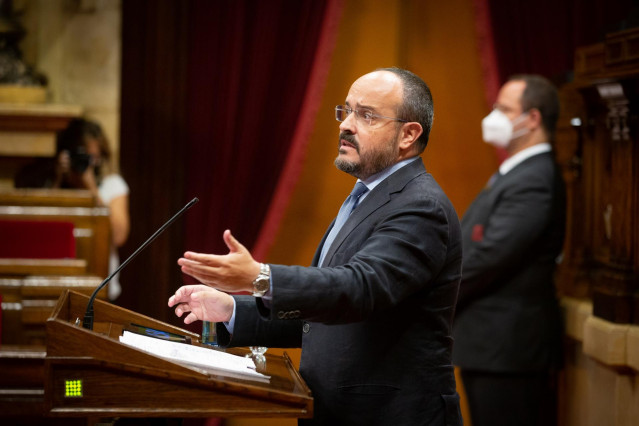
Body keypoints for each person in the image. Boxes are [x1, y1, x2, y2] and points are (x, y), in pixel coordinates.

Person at [168, 68, 463, 426]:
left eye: (366, 115)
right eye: (347, 111)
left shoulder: (421, 206)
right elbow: (322, 315)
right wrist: (232, 309)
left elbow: (359, 288)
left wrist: (261, 277)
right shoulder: (364, 198)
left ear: (408, 134)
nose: (346, 125)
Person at [452, 75, 566, 426]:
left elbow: (489, 257)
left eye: (503, 109)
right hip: (492, 347)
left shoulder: (534, 178)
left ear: (532, 119)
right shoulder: (516, 171)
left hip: (508, 349)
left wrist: (434, 289)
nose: (493, 117)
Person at [15, 118, 130, 301]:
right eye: (81, 157)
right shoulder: (52, 183)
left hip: (100, 286)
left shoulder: (112, 184)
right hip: (50, 284)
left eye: (92, 159)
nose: (86, 164)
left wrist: (90, 187)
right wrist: (58, 180)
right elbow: (37, 228)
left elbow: (119, 236)